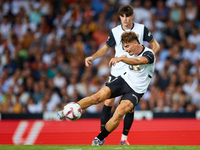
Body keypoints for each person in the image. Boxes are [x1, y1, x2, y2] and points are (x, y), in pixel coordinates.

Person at [57, 31, 156, 145]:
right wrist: (120, 58)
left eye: (127, 46)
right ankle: (68, 110)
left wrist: (121, 59)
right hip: (123, 81)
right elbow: (125, 56)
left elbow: (139, 61)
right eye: (124, 47)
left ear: (135, 42)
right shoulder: (127, 53)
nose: (126, 50)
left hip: (136, 90)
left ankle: (98, 139)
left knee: (119, 113)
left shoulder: (149, 54)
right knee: (97, 97)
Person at [84, 4, 160, 145]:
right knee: (108, 101)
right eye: (122, 16)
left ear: (132, 16)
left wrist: (149, 58)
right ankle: (101, 137)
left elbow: (156, 45)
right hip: (118, 70)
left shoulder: (141, 29)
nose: (124, 19)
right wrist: (92, 57)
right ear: (119, 17)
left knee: (127, 107)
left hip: (135, 71)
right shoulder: (115, 31)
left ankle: (124, 138)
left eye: (127, 16)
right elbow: (105, 48)